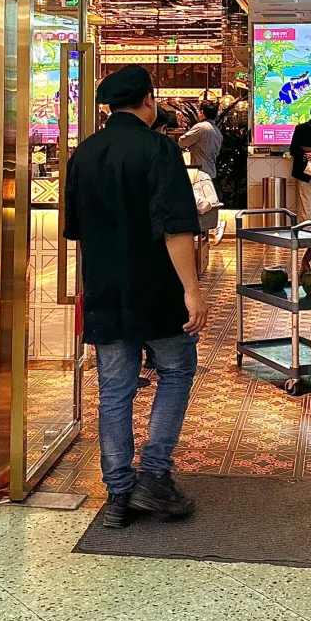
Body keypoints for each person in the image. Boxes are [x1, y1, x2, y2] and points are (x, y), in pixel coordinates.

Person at [63, 64, 207, 529]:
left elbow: (75, 230)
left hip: (105, 288)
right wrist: (192, 291)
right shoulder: (159, 149)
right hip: (158, 286)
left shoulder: (84, 154)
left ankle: (119, 495)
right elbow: (176, 228)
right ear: (148, 99)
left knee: (114, 391)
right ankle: (155, 475)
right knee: (176, 370)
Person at [179, 98, 223, 179]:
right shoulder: (218, 132)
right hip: (211, 172)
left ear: (202, 112)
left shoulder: (201, 127)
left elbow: (182, 142)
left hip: (201, 172)